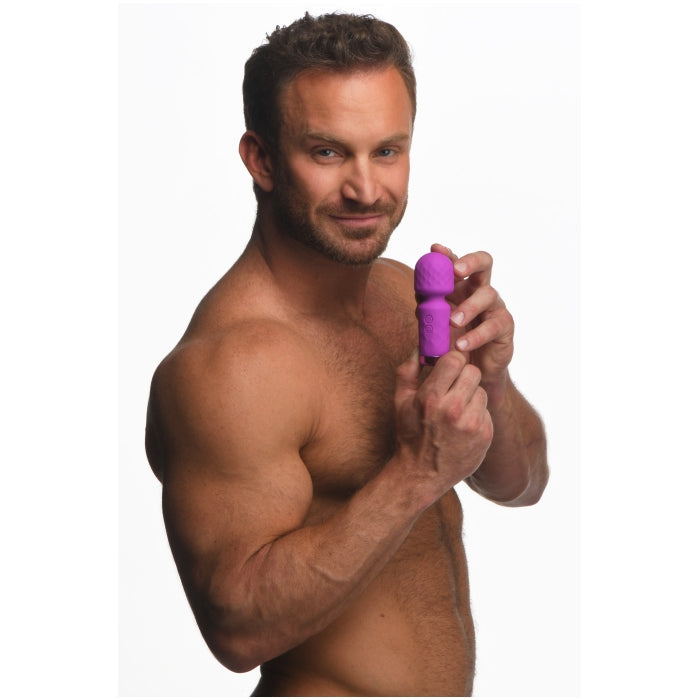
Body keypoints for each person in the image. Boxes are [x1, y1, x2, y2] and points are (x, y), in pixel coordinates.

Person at [145, 11, 549, 697]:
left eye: (386, 151)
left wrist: (492, 380)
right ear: (262, 159)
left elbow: (521, 484)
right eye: (328, 153)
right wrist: (415, 474)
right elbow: (236, 629)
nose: (366, 189)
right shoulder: (233, 365)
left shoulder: (401, 295)